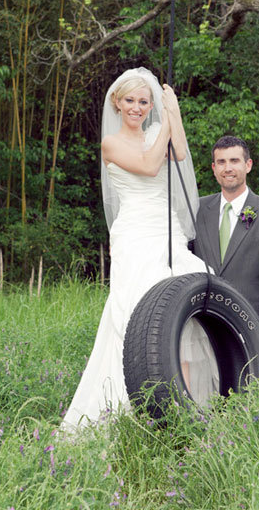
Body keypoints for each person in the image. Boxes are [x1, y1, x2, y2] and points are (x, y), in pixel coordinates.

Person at [60, 68, 217, 434]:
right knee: (136, 313)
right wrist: (164, 125)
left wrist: (172, 111)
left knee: (184, 310)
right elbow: (148, 166)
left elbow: (178, 153)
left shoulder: (155, 131)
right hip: (135, 234)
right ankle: (128, 411)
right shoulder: (111, 144)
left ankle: (186, 407)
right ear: (117, 103)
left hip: (167, 233)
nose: (136, 107)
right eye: (130, 100)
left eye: (144, 102)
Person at [193, 136, 259, 370]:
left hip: (251, 326)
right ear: (214, 168)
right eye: (221, 162)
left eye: (235, 161)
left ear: (248, 165)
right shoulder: (195, 211)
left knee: (249, 401)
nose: (228, 168)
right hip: (202, 326)